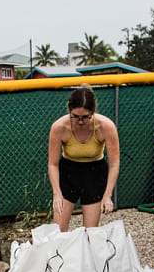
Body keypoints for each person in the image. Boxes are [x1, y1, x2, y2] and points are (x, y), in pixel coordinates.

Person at [46, 86, 120, 231]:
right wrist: (57, 193)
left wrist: (107, 194)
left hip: (94, 173)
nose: (80, 122)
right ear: (69, 111)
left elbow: (114, 164)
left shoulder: (106, 126)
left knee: (90, 232)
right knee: (58, 229)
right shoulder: (59, 127)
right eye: (76, 117)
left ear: (93, 112)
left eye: (85, 117)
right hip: (68, 172)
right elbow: (52, 164)